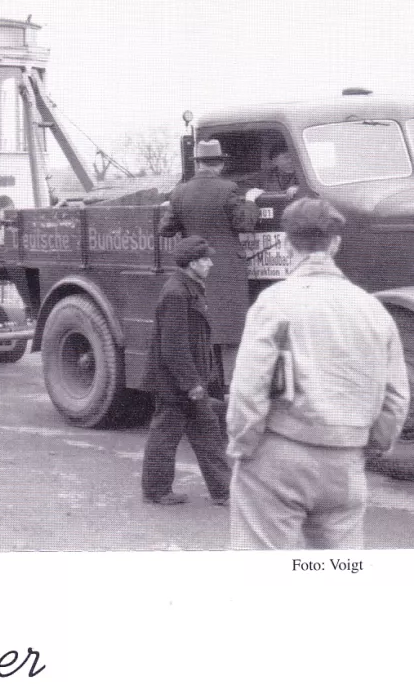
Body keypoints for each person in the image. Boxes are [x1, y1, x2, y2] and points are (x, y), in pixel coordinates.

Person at [226, 198, 409, 549]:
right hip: (345, 463)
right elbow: (396, 398)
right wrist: (363, 448)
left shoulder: (273, 301)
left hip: (278, 455)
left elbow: (248, 388)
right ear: (336, 243)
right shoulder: (374, 308)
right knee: (338, 577)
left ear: (286, 241)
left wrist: (243, 446)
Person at [141, 235, 232, 506]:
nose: (210, 264)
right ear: (192, 264)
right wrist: (191, 383)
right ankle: (158, 491)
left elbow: (195, 340)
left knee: (206, 432)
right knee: (169, 436)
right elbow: (173, 345)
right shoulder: (176, 293)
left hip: (186, 382)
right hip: (176, 384)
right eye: (205, 259)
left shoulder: (189, 287)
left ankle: (222, 491)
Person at [159, 139, 258, 387]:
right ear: (220, 164)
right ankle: (233, 390)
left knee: (203, 331)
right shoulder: (228, 189)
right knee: (230, 335)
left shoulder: (179, 192)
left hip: (194, 272)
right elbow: (244, 224)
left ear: (199, 164)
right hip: (226, 272)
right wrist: (251, 201)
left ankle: (208, 390)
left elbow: (166, 230)